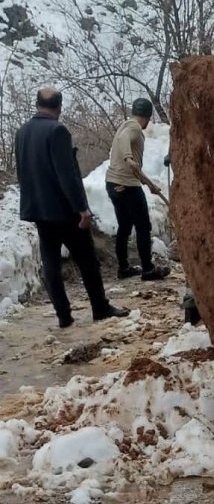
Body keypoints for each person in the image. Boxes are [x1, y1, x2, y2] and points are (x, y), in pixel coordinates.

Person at [15, 88, 129, 329]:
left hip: (39, 210)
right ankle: (100, 308)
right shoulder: (57, 130)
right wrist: (81, 208)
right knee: (87, 260)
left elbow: (22, 170)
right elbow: (67, 175)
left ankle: (63, 315)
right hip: (64, 210)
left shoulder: (22, 132)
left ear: (37, 104)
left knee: (51, 263)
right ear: (59, 107)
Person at [105, 98, 169, 281]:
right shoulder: (133, 128)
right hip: (127, 186)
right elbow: (125, 141)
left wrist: (149, 185)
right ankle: (148, 270)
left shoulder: (124, 125)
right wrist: (128, 157)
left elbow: (134, 169)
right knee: (143, 226)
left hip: (113, 184)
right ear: (147, 117)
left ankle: (123, 268)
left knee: (125, 226)